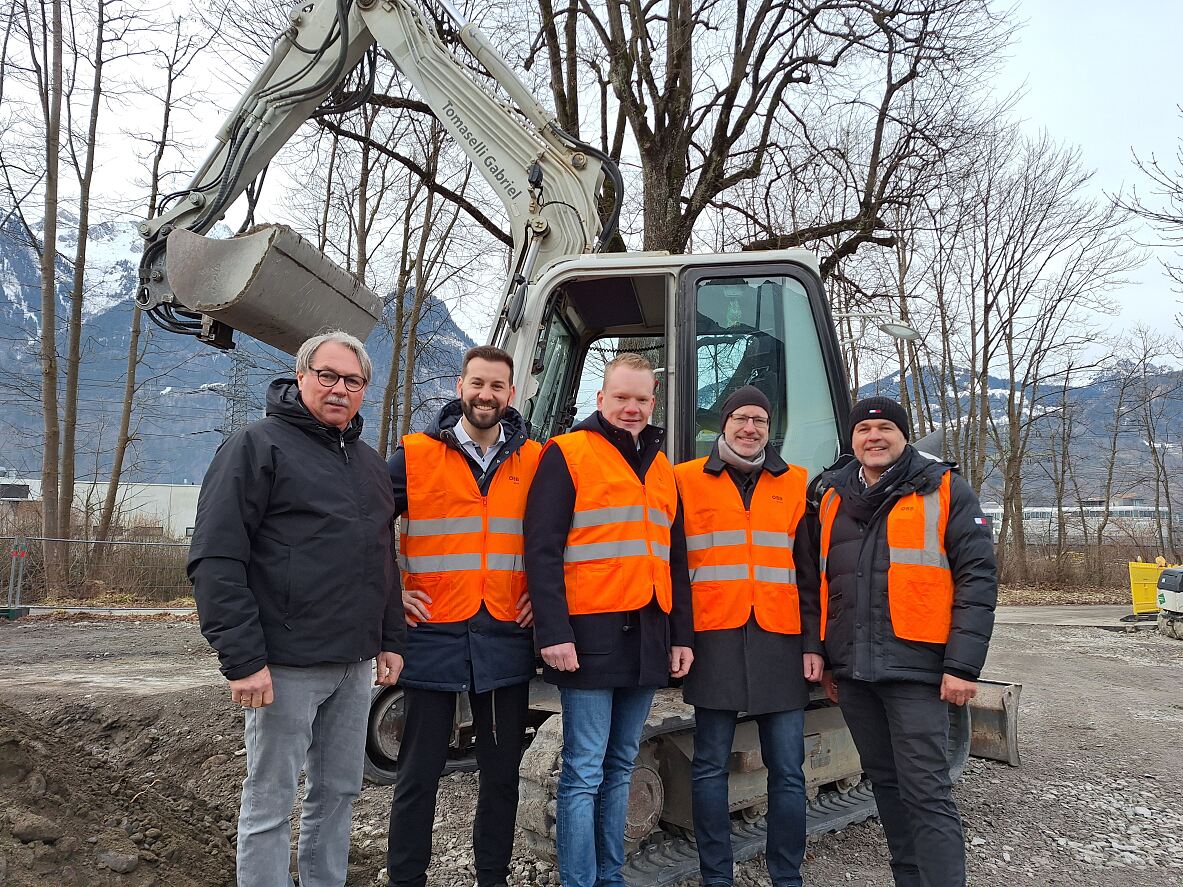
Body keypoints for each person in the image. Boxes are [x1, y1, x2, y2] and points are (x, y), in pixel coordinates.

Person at [187, 330, 405, 887]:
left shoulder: (368, 463)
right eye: (327, 376)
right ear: (301, 376)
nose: (339, 389)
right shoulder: (256, 446)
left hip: (353, 665)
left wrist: (390, 637)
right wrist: (241, 659)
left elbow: (380, 555)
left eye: (352, 381)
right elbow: (216, 557)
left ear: (364, 391)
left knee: (338, 793)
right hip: (282, 664)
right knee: (270, 802)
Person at [809, 396, 997, 887]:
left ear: (904, 435)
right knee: (887, 788)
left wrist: (963, 666)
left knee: (925, 791)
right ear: (852, 439)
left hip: (919, 669)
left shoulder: (944, 490)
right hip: (854, 672)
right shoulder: (833, 499)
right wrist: (830, 662)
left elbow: (978, 579)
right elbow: (823, 585)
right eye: (864, 430)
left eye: (886, 428)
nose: (874, 437)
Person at [524, 352, 694, 887]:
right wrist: (553, 632)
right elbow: (542, 549)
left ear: (653, 402)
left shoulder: (662, 466)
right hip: (588, 635)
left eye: (642, 399)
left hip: (648, 632)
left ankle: (610, 876)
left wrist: (680, 636)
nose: (632, 408)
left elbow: (677, 558)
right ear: (601, 399)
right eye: (622, 397)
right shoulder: (568, 454)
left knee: (621, 763)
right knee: (582, 772)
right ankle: (581, 880)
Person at [385, 345, 541, 887]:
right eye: (477, 383)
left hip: (503, 635)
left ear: (510, 394)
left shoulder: (534, 460)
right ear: (460, 386)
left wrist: (541, 599)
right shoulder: (416, 454)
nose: (485, 395)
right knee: (417, 775)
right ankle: (406, 879)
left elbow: (558, 540)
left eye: (496, 386)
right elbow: (365, 525)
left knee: (500, 776)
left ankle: (491, 878)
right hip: (432, 632)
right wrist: (391, 592)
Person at [673, 386, 823, 887]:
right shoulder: (685, 481)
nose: (750, 428)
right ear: (724, 423)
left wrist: (812, 646)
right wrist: (681, 638)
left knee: (787, 770)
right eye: (741, 418)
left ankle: (787, 876)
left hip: (780, 639)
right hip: (713, 636)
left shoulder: (794, 483)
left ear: (769, 427)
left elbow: (807, 574)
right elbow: (675, 567)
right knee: (709, 766)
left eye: (760, 419)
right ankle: (716, 876)